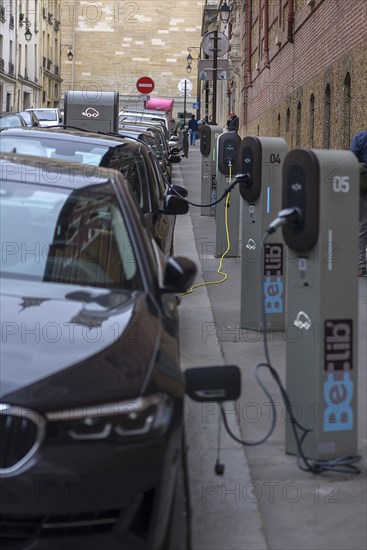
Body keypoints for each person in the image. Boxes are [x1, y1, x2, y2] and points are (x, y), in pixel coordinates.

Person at [350, 130, 367, 277]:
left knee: (362, 226)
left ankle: (361, 265)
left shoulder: (360, 138)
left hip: (363, 189)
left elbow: (351, 161)